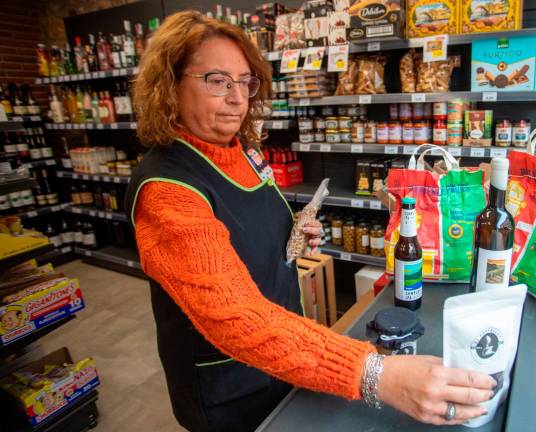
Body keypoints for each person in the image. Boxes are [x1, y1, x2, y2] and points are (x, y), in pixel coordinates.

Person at [126, 11, 496, 432]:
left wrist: (291, 235)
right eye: (217, 81)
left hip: (289, 355)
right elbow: (234, 314)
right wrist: (377, 375)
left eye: (245, 81)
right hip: (230, 385)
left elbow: (244, 226)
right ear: (170, 85)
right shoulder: (166, 190)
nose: (237, 98)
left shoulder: (241, 151)